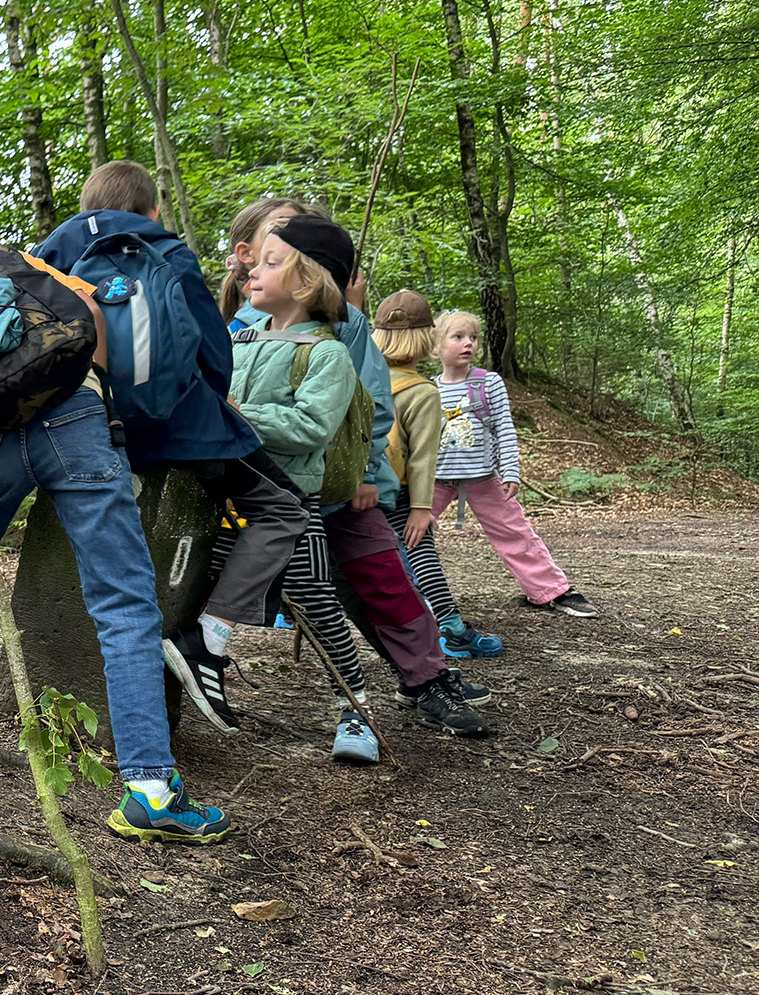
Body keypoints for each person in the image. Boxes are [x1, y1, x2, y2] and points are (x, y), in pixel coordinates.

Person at [0, 231, 238, 846]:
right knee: (124, 600)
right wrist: (103, 399)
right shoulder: (3, 261)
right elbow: (87, 311)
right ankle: (149, 789)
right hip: (73, 415)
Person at [37, 161, 306, 736]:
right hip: (186, 432)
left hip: (89, 429)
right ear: (152, 211)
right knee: (284, 508)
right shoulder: (169, 253)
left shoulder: (48, 256)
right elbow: (213, 351)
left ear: (86, 206)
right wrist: (210, 407)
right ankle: (207, 636)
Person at [227, 204, 491, 747]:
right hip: (269, 492)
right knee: (314, 590)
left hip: (346, 488)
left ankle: (427, 680)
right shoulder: (245, 326)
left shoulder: (342, 329)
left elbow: (370, 405)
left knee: (384, 581)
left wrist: (369, 474)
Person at [432, 310, 597, 617]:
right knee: (408, 531)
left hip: (484, 476)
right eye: (458, 337)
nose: (468, 343)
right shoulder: (427, 388)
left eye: (473, 337)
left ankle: (552, 590)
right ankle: (406, 593)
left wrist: (511, 470)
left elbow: (505, 429)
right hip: (435, 478)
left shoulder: (488, 383)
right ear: (436, 346)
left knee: (515, 533)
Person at [371, 291, 504, 657]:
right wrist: (421, 507)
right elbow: (423, 460)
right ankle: (450, 627)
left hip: (359, 488)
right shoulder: (423, 392)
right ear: (428, 338)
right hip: (398, 491)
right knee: (421, 552)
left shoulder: (365, 376)